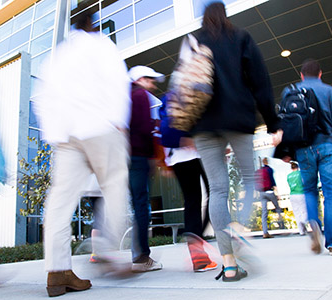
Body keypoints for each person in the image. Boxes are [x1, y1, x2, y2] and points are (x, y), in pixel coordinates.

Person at [34, 12, 131, 297]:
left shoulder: (58, 56)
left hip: (67, 136)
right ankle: (106, 250)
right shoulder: (103, 46)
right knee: (115, 186)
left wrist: (55, 134)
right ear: (94, 25)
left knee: (60, 202)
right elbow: (118, 84)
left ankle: (57, 271)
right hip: (101, 127)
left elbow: (43, 96)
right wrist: (119, 123)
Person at [190, 2, 282, 282]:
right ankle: (237, 226)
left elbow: (183, 83)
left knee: (217, 190)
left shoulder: (194, 41)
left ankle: (229, 266)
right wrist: (273, 121)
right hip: (238, 119)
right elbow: (260, 82)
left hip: (203, 124)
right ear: (224, 14)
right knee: (249, 178)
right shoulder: (240, 37)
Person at [290, 58, 332, 256]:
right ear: (320, 74)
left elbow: (286, 121)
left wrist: (288, 151)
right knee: (330, 194)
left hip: (303, 150)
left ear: (301, 75)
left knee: (310, 191)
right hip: (327, 146)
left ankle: (313, 222)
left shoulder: (292, 91)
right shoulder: (329, 91)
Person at [158, 93, 217, 272]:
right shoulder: (194, 93)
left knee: (191, 202)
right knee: (216, 194)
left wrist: (166, 161)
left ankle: (198, 254)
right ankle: (198, 239)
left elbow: (164, 131)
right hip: (198, 153)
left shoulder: (168, 99)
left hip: (177, 158)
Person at [126, 65, 164, 272]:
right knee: (142, 207)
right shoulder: (140, 95)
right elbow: (142, 128)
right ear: (140, 79)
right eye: (150, 80)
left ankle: (137, 254)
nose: (153, 85)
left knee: (137, 205)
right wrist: (153, 156)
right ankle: (141, 258)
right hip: (138, 157)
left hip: (129, 157)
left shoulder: (128, 96)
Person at [257, 157, 285, 239]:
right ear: (267, 162)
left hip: (262, 193)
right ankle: (282, 225)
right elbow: (272, 181)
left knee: (264, 213)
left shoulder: (259, 171)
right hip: (270, 192)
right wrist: (278, 193)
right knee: (278, 208)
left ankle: (265, 232)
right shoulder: (269, 169)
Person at [286, 162, 307, 235]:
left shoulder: (289, 176)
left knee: (297, 212)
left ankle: (301, 231)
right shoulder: (300, 173)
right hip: (301, 193)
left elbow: (289, 185)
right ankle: (303, 221)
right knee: (303, 210)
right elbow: (304, 182)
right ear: (298, 167)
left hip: (292, 194)